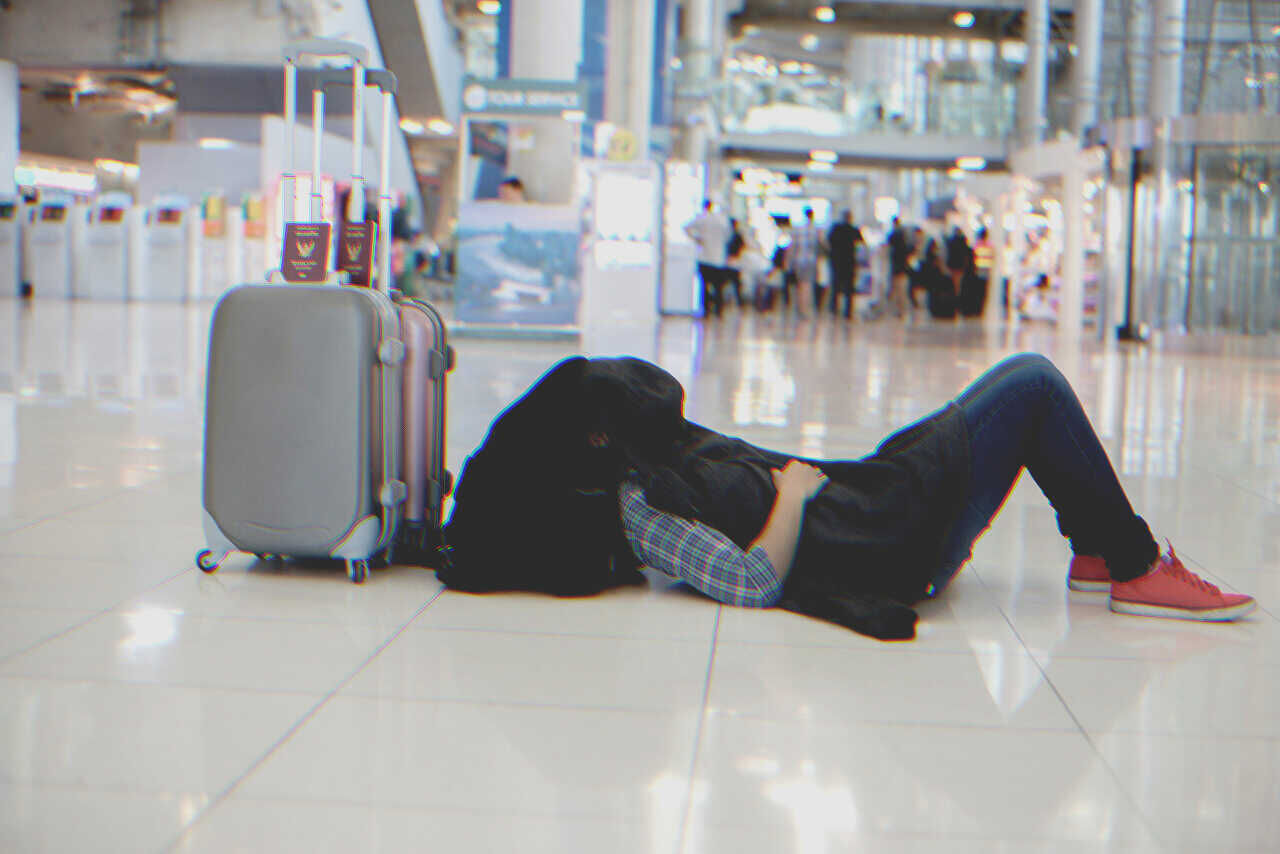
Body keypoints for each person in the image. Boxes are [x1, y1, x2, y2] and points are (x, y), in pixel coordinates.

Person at [439, 354, 1256, 641]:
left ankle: (1098, 548)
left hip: (870, 498)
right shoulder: (639, 506)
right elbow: (750, 582)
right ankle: (1134, 563)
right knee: (1033, 385)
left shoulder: (646, 464)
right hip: (885, 533)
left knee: (1018, 385)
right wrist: (790, 494)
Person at [685, 200, 732, 317]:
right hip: (719, 259)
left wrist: (698, 238)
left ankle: (705, 309)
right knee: (718, 287)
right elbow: (728, 237)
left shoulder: (702, 218)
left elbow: (687, 227)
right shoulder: (723, 221)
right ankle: (718, 310)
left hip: (705, 258)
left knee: (705, 285)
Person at [826, 210, 862, 318]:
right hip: (849, 262)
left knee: (835, 285)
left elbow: (829, 242)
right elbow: (861, 243)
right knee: (849, 288)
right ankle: (848, 311)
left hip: (836, 261)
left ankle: (834, 309)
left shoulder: (835, 229)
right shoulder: (854, 230)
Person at [787, 208, 821, 318]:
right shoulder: (816, 230)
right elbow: (819, 247)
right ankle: (805, 309)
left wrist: (789, 262)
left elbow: (792, 247)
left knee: (800, 285)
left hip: (799, 261)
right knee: (807, 285)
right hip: (811, 261)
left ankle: (800, 307)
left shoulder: (798, 230)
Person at [886, 217, 912, 316]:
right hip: (903, 266)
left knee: (896, 289)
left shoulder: (893, 235)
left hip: (896, 266)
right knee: (902, 289)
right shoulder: (904, 236)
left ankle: (897, 310)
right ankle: (901, 310)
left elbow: (889, 246)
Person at [724, 218, 747, 308]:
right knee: (736, 283)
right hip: (736, 261)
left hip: (730, 260)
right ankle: (738, 301)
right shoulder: (737, 236)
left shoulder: (728, 235)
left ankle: (731, 301)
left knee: (730, 282)